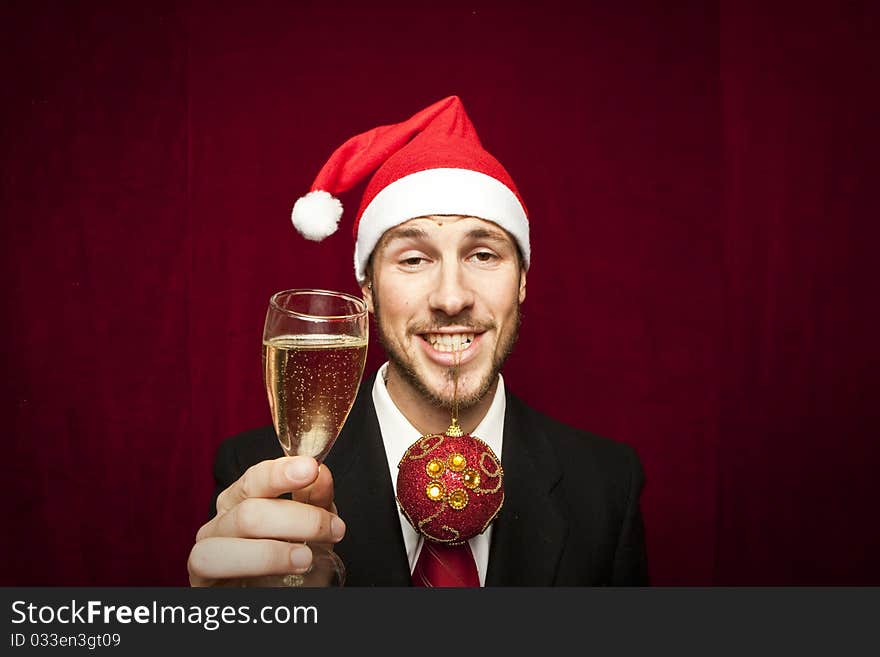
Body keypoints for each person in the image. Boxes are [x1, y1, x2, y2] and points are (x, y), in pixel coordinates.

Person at [187, 96, 649, 587]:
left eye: (484, 255)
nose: (451, 298)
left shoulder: (607, 484)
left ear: (522, 282)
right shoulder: (258, 479)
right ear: (366, 289)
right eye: (413, 259)